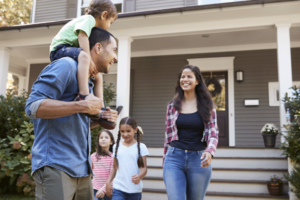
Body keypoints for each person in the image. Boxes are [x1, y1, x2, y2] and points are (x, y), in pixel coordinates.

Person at [25, 27, 118, 200]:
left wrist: (101, 119)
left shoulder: (88, 81)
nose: (116, 57)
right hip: (57, 166)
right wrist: (81, 106)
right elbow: (32, 107)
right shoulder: (66, 65)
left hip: (83, 171)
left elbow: (75, 121)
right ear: (98, 48)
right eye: (114, 50)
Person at [50, 0, 117, 117]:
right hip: (59, 48)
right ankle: (84, 95)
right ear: (104, 15)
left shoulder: (90, 25)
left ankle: (99, 108)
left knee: (98, 76)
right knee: (84, 56)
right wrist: (89, 60)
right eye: (110, 22)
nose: (109, 26)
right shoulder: (88, 20)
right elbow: (82, 36)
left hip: (68, 49)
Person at [163, 65, 219, 200]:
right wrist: (165, 160)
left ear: (197, 81)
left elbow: (213, 132)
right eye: (182, 76)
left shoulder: (208, 106)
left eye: (189, 76)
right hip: (174, 157)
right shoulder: (172, 106)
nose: (185, 79)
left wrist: (210, 151)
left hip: (198, 159)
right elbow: (167, 136)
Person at [105, 117, 149, 200]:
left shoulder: (142, 147)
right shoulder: (116, 147)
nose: (125, 134)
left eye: (128, 131)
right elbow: (115, 167)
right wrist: (108, 182)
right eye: (122, 131)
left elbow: (144, 169)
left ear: (135, 130)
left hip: (135, 190)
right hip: (118, 188)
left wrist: (139, 176)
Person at [92, 130, 115, 200]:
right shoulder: (93, 156)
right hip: (95, 189)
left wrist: (103, 189)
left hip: (109, 189)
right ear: (98, 141)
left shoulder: (113, 157)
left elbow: (113, 177)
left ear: (111, 142)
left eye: (106, 137)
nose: (103, 139)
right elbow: (90, 173)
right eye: (101, 137)